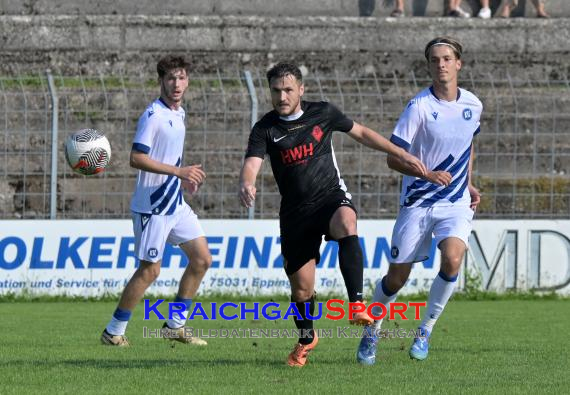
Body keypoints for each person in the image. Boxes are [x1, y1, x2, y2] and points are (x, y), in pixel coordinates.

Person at [238, 62, 427, 367]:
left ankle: (356, 303)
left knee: (346, 222)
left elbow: (362, 133)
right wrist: (247, 183)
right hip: (296, 214)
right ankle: (306, 338)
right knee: (302, 290)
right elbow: (252, 163)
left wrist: (400, 153)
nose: (282, 96)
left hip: (330, 197)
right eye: (276, 90)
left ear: (301, 89)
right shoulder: (265, 128)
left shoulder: (323, 113)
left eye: (288, 89)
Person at [357, 36, 482, 364]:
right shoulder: (419, 107)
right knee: (396, 277)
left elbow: (467, 148)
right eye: (434, 60)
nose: (440, 64)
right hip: (418, 202)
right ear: (428, 66)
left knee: (453, 260)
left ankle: (425, 329)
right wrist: (426, 174)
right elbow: (393, 159)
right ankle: (372, 331)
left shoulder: (473, 104)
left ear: (458, 63)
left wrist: (468, 184)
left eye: (446, 58)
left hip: (454, 203)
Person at [101, 55, 212, 347]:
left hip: (174, 202)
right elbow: (136, 158)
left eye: (182, 78)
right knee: (150, 270)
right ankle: (113, 331)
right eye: (171, 78)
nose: (177, 84)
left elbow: (167, 155)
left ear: (188, 81)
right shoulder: (153, 115)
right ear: (161, 81)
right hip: (152, 207)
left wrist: (182, 179)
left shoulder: (179, 112)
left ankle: (174, 325)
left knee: (201, 260)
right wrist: (178, 171)